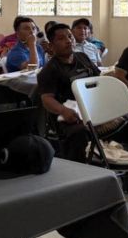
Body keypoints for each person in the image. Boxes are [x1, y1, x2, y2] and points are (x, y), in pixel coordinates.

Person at [36, 23, 98, 163]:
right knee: (80, 133)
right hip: (69, 116)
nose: (69, 41)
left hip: (92, 109)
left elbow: (99, 81)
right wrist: (63, 110)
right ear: (51, 46)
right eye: (62, 38)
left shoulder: (83, 57)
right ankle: (78, 173)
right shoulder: (49, 70)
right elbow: (47, 99)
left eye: (70, 37)